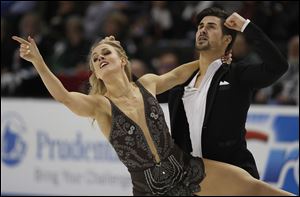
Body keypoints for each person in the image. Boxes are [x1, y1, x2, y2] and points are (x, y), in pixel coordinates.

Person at [12, 33, 293, 196]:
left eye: (105, 52)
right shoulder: (101, 106)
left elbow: (178, 74)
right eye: (95, 59)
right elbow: (63, 96)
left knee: (253, 189)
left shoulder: (146, 84)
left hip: (186, 169)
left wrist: (210, 60)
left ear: (122, 60)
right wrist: (38, 61)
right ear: (96, 72)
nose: (99, 58)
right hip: (149, 191)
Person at [168, 7, 289, 180]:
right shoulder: (181, 83)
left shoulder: (237, 75)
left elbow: (277, 66)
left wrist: (246, 26)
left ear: (227, 39)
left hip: (232, 177)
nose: (202, 29)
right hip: (192, 182)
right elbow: (141, 93)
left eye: (211, 26)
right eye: (200, 26)